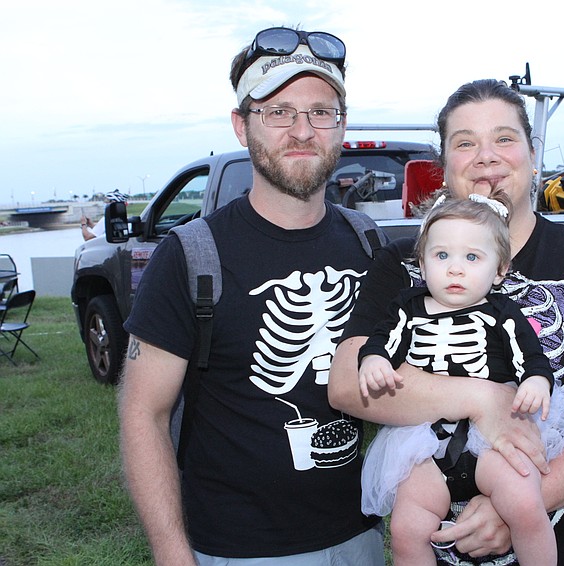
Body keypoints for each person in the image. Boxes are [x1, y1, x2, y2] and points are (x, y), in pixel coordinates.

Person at [329, 78, 564, 565]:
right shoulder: (403, 264)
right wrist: (482, 399)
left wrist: (522, 504)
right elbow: (346, 383)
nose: (486, 157)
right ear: (444, 168)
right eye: (465, 143)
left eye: (504, 138)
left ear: (532, 153)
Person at [118, 27, 384, 565]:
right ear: (242, 126)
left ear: (342, 125)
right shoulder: (190, 255)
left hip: (360, 538)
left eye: (321, 112)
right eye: (279, 112)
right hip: (237, 549)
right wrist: (172, 553)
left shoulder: (368, 243)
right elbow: (143, 412)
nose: (302, 131)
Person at [358, 194, 564, 565]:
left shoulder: (502, 313)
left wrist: (535, 382)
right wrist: (373, 360)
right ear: (422, 264)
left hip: (492, 439)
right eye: (441, 255)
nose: (455, 269)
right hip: (422, 441)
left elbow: (531, 358)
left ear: (499, 270)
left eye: (472, 258)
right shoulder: (407, 307)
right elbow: (383, 341)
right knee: (407, 528)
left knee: (526, 506)